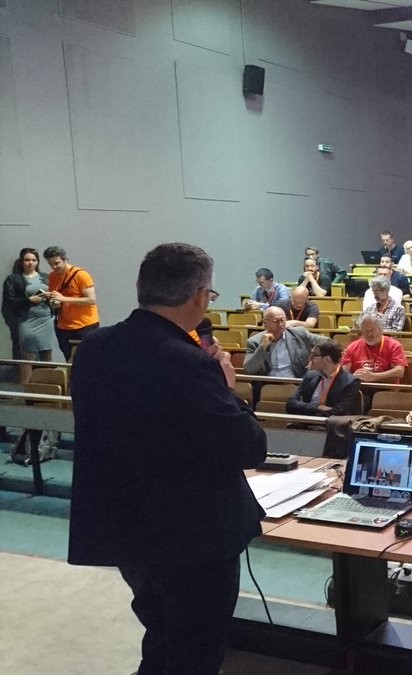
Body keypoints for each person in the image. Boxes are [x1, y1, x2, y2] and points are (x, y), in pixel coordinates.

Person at [69, 243, 266, 675]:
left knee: (161, 638)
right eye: (209, 294)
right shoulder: (188, 363)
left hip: (127, 531)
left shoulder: (94, 348)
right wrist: (226, 388)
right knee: (194, 653)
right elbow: (249, 447)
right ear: (197, 296)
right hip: (191, 539)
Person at [2, 248, 55, 383]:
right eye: (27, 260)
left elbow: (56, 295)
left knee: (46, 354)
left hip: (46, 318)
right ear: (22, 261)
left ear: (37, 262)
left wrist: (51, 298)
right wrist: (29, 300)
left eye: (34, 260)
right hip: (26, 320)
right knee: (27, 355)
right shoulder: (13, 279)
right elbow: (10, 301)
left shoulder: (46, 277)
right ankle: (25, 389)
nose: (31, 263)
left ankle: (47, 388)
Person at [286, 337, 362, 417]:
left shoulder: (351, 382)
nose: (309, 359)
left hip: (330, 424)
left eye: (314, 355)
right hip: (305, 422)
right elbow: (291, 404)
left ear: (327, 359)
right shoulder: (310, 376)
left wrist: (306, 409)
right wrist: (317, 408)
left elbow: (339, 412)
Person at [243, 306, 313, 378]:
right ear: (265, 323)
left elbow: (320, 343)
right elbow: (249, 369)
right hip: (267, 382)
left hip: (294, 381)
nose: (280, 325)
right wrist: (262, 347)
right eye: (275, 321)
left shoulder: (299, 334)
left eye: (282, 320)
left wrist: (314, 357)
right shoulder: (254, 342)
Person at [341, 312, 408, 384]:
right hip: (360, 388)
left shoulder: (394, 346)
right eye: (365, 331)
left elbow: (399, 372)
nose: (369, 334)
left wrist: (373, 376)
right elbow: (343, 374)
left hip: (387, 389)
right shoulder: (352, 348)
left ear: (381, 330)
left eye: (372, 330)